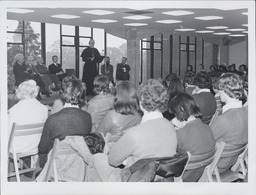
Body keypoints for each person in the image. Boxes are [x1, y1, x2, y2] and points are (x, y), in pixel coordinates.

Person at [85, 79, 177, 182]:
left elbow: (113, 160)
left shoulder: (134, 134)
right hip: (163, 181)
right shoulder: (171, 127)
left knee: (96, 159)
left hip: (134, 181)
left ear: (141, 101)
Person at [38, 79, 92, 168]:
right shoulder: (87, 117)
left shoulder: (52, 118)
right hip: (78, 162)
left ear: (63, 95)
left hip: (56, 163)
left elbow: (42, 148)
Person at [169, 93, 215, 182]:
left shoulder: (180, 134)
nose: (175, 116)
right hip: (200, 174)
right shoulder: (207, 128)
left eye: (175, 113)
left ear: (181, 110)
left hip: (183, 178)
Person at [210, 73, 248, 173]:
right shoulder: (247, 113)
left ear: (224, 91)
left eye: (219, 90)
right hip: (233, 162)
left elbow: (205, 141)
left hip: (216, 165)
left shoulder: (224, 119)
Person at [96, 81, 142, 146]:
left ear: (117, 97)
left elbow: (98, 136)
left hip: (112, 151)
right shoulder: (139, 116)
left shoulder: (111, 115)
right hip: (132, 151)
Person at [8, 80, 48, 154]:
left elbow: (8, 132)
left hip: (18, 148)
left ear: (19, 92)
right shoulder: (44, 108)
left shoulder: (13, 111)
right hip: (37, 146)